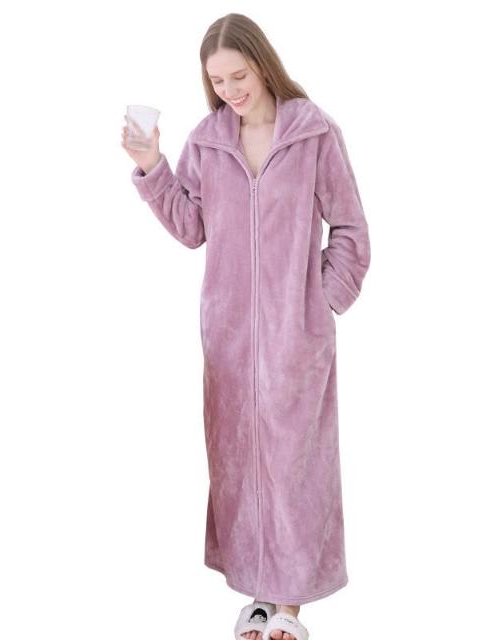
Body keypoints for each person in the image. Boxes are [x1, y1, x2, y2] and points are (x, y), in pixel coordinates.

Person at [121, 13, 371, 640]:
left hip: (296, 338)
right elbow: (191, 228)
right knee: (241, 466)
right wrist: (153, 166)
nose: (230, 89)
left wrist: (320, 303)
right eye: (217, 80)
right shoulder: (208, 141)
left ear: (262, 63)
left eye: (239, 75)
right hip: (229, 339)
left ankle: (291, 601)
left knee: (296, 467)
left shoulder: (314, 133)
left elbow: (350, 229)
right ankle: (260, 594)